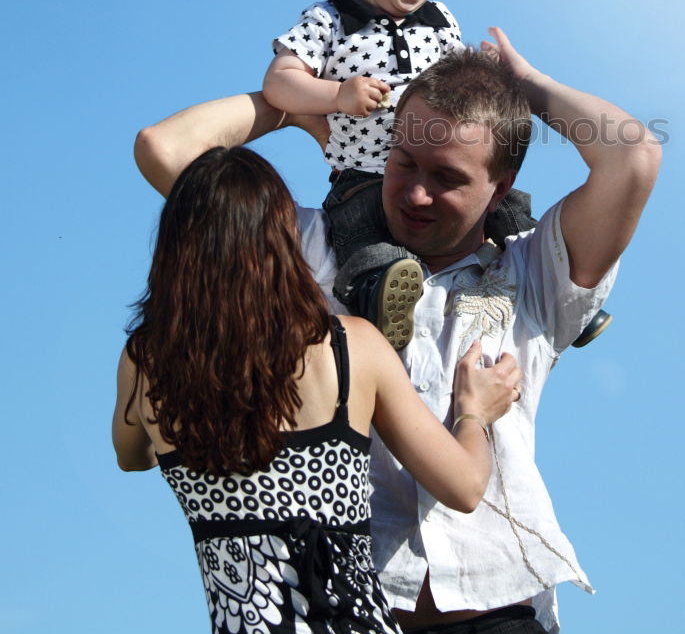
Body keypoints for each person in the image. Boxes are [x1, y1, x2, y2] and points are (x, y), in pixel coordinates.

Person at [134, 28, 661, 634]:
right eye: (403, 161)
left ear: (503, 185)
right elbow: (164, 148)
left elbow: (634, 155)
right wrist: (297, 105)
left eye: (447, 177)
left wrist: (530, 89)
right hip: (354, 609)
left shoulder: (536, 269)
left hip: (503, 607)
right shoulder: (313, 251)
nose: (414, 192)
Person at [113, 146, 521, 634]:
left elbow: (131, 456)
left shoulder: (146, 362)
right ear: (283, 240)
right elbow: (464, 486)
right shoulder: (352, 348)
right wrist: (473, 412)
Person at [261, 0, 605, 349]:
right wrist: (335, 96)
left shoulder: (440, 19)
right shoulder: (329, 20)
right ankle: (377, 298)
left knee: (508, 208)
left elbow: (456, 83)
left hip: (439, 163)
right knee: (362, 238)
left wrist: (486, 77)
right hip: (362, 173)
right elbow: (279, 81)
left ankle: (569, 295)